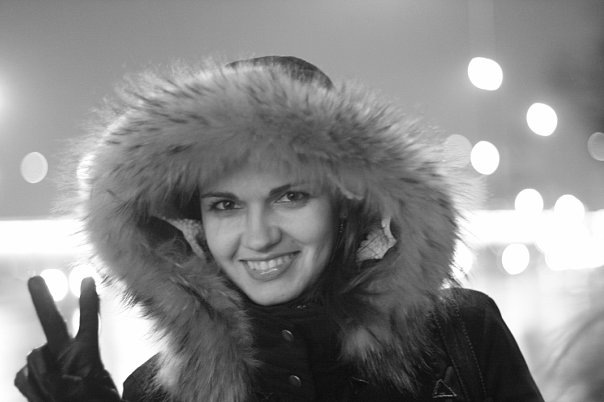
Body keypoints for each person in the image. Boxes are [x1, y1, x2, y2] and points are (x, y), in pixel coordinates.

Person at [15, 55, 544, 401]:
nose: (259, 236)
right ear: (195, 225)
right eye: (225, 205)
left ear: (345, 204)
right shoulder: (160, 394)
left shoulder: (460, 338)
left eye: (291, 196)